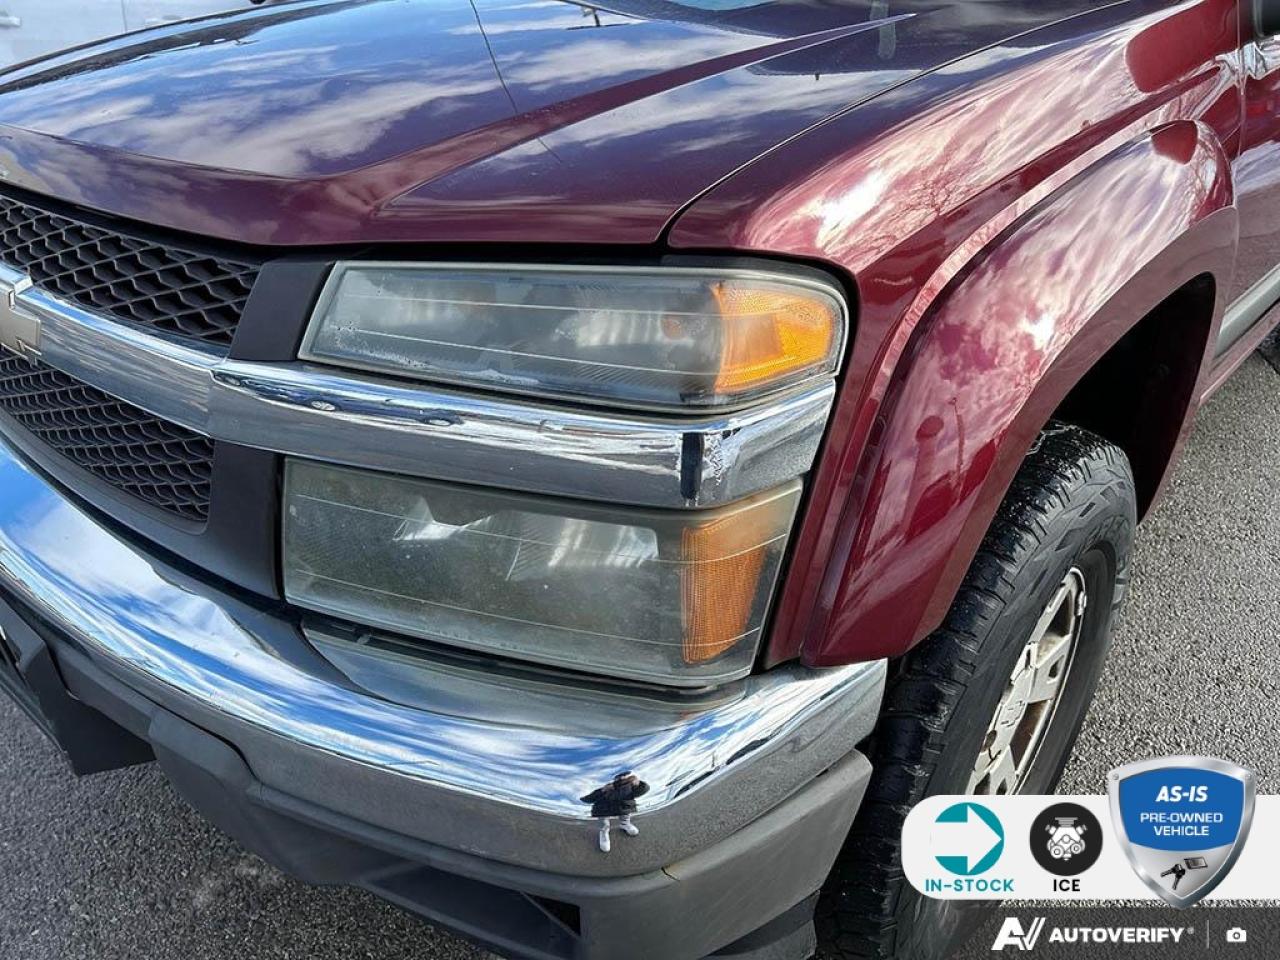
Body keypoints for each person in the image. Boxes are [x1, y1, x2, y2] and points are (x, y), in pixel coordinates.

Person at [581, 772, 650, 853]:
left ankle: (624, 824)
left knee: (625, 812)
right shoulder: (606, 788)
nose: (622, 778)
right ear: (614, 779)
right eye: (619, 777)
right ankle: (604, 832)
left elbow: (644, 790)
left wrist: (639, 783)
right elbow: (588, 799)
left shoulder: (630, 786)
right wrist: (602, 790)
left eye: (624, 776)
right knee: (603, 819)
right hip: (604, 809)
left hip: (623, 807)